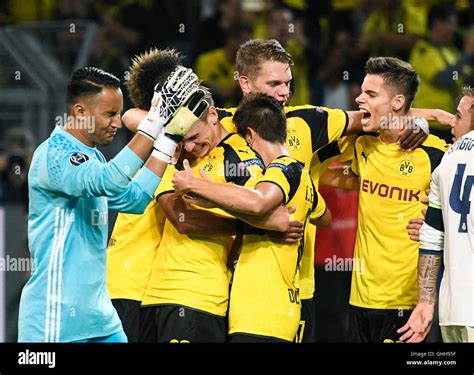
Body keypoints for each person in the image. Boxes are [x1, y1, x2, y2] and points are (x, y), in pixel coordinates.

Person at [123, 39, 447, 342]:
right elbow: (135, 116)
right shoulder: (223, 123)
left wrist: (426, 118)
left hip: (297, 288)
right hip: (229, 291)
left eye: (288, 83)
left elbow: (374, 116)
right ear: (245, 84)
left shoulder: (307, 122)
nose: (284, 93)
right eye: (274, 84)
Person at [18, 65, 203, 342]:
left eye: (118, 113)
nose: (118, 123)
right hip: (55, 318)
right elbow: (108, 181)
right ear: (80, 112)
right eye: (110, 114)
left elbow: (135, 199)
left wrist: (167, 140)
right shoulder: (54, 155)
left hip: (100, 317)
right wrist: (154, 122)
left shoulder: (94, 158)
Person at [140, 88, 299, 343]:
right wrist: (256, 227)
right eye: (184, 140)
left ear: (213, 115)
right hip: (158, 295)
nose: (190, 146)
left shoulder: (239, 154)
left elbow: (258, 206)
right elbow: (183, 219)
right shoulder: (181, 154)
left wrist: (263, 223)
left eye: (194, 136)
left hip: (198, 297)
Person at [172, 93, 330, 342]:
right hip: (279, 308)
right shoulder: (304, 177)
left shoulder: (282, 169)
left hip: (262, 311)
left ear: (250, 135)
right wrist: (215, 200)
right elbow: (325, 217)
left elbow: (257, 202)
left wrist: (194, 185)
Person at [319, 57, 449, 343]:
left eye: (370, 94)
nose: (358, 98)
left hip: (408, 304)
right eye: (362, 91)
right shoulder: (361, 143)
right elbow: (322, 164)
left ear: (398, 102)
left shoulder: (436, 153)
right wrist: (432, 115)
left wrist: (438, 224)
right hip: (359, 300)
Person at [398, 86, 474, 343]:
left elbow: (430, 237)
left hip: (452, 312)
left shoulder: (447, 161)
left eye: (458, 116)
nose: (452, 122)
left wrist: (425, 302)